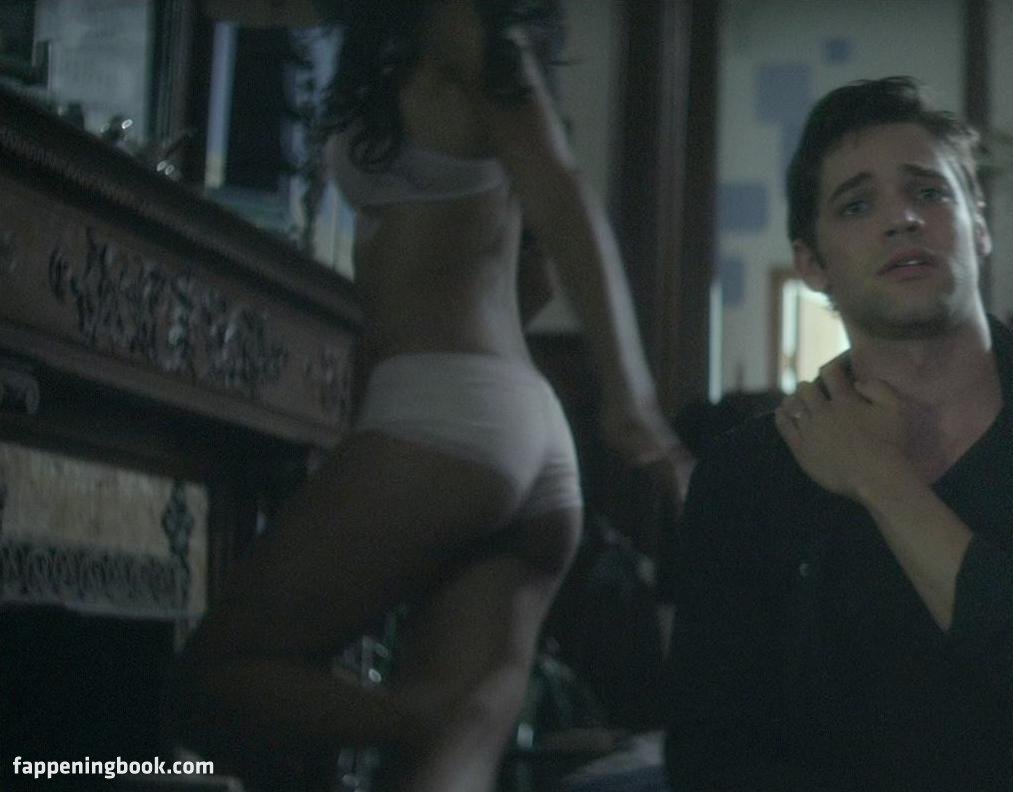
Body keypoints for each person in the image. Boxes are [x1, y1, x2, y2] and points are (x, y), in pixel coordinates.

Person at [176, 1, 689, 789]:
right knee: (440, 769)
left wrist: (631, 399)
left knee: (219, 673)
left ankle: (440, 718)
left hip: (451, 413)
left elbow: (560, 194)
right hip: (521, 434)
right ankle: (451, 722)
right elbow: (535, 270)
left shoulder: (464, 20)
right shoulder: (430, 32)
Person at [663, 77, 1013, 791]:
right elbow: (711, 758)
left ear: (979, 226)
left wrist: (880, 479)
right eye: (857, 205)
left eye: (929, 193)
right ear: (812, 263)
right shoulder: (745, 473)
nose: (902, 219)